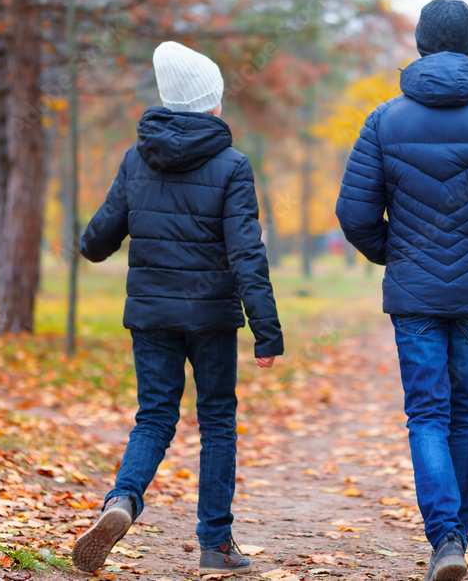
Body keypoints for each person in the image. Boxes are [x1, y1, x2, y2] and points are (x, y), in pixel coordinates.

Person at [335, 0, 468, 581]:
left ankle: (445, 539)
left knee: (427, 413)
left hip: (415, 295)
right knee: (464, 412)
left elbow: (354, 214)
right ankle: (457, 538)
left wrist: (396, 254)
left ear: (421, 44)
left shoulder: (383, 121)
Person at [72, 41, 283, 577]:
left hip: (151, 317)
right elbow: (247, 253)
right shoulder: (232, 165)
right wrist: (266, 331)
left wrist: (94, 239)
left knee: (154, 417)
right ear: (213, 103)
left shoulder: (136, 159)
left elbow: (97, 240)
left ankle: (122, 499)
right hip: (211, 319)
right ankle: (216, 546)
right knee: (217, 423)